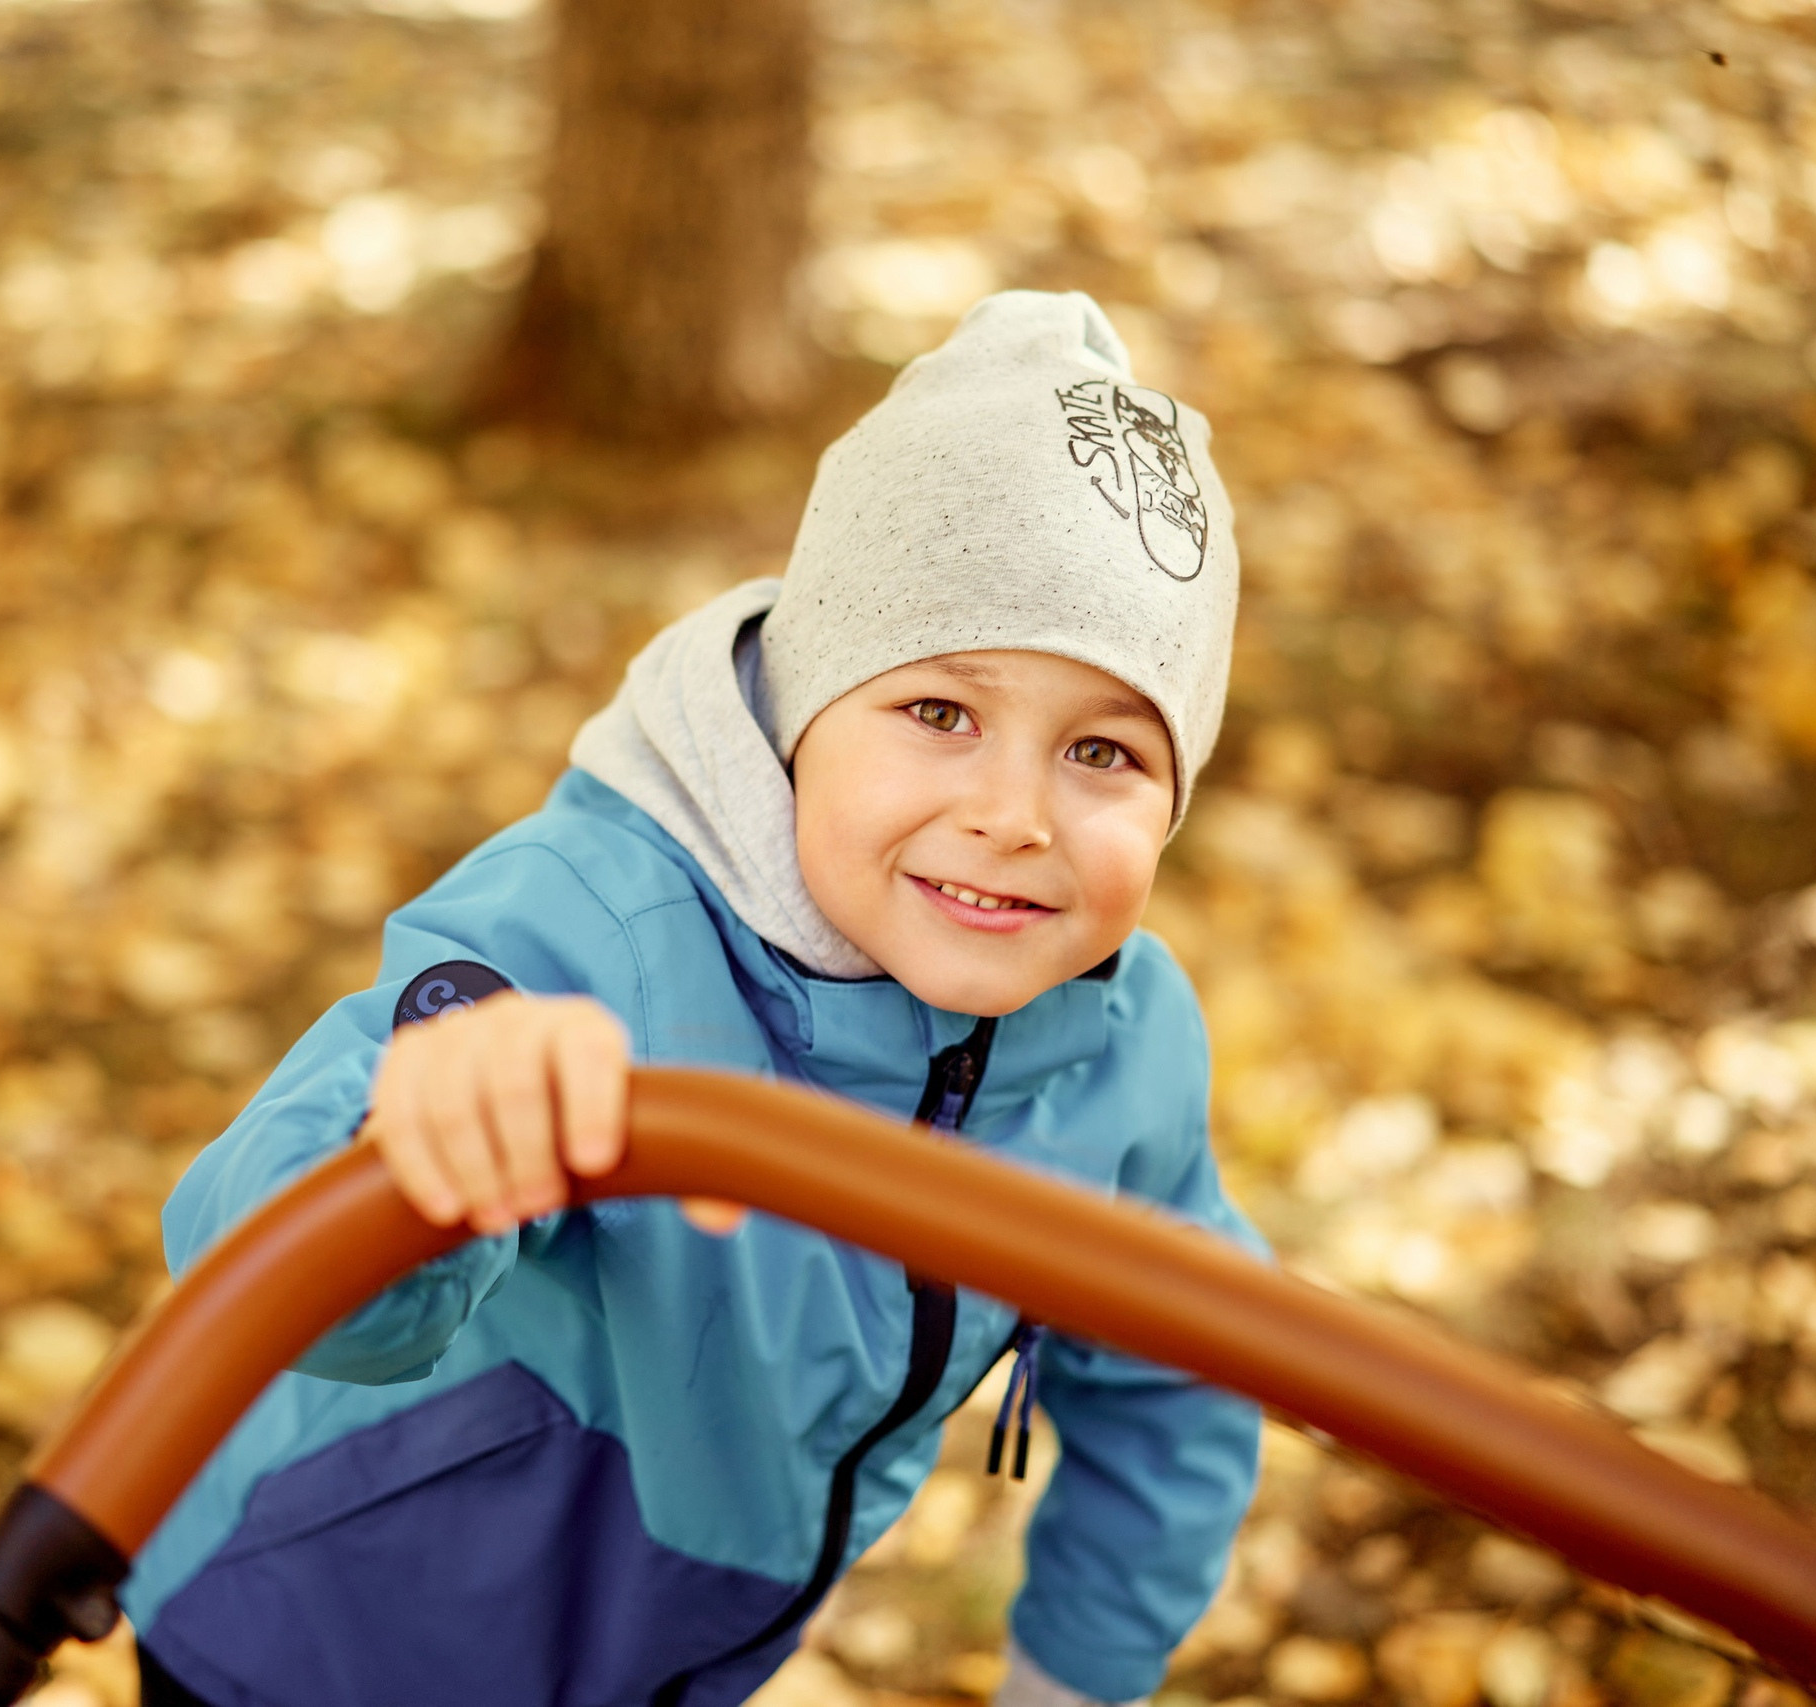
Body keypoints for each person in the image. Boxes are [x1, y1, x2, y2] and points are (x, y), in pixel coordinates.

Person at [118, 291, 1263, 1707]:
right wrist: (420, 1150)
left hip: (674, 1661)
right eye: (940, 715)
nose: (1015, 815)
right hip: (315, 1642)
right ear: (802, 707)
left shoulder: (1120, 1052)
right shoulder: (582, 927)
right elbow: (264, 1267)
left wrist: (1078, 1675)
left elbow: (1183, 1364)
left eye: (1104, 752)